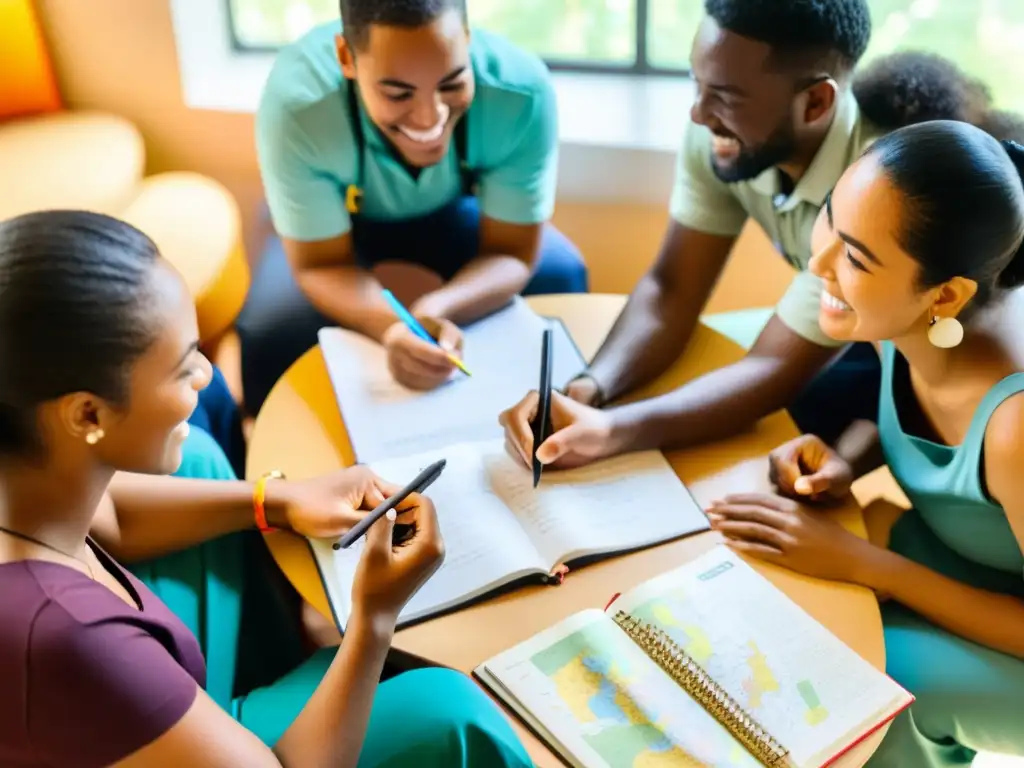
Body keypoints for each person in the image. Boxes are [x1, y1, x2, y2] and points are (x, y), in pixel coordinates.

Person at [0, 210, 532, 767]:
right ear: (86, 413)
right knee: (447, 710)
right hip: (161, 719)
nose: (206, 373)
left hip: (127, 691)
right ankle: (271, 697)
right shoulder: (69, 637)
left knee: (198, 457)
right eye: (184, 367)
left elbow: (109, 516)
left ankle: (273, 671)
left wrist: (277, 499)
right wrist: (375, 617)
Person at [500, 0, 1024, 466]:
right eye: (696, 83)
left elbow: (774, 365)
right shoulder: (722, 132)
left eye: (725, 96)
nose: (699, 113)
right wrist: (587, 390)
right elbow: (672, 287)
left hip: (893, 337)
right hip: (849, 321)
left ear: (817, 103)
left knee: (763, 437)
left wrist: (612, 431)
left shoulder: (875, 193)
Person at [701, 120, 1024, 767]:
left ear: (945, 295)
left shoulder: (1017, 425)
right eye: (829, 219)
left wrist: (865, 564)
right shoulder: (905, 314)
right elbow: (916, 416)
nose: (816, 261)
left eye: (853, 255)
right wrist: (846, 457)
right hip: (965, 560)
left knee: (864, 685)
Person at [237, 0, 588, 414]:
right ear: (347, 58)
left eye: (453, 83)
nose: (430, 117)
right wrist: (391, 325)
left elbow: (512, 251)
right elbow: (319, 264)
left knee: (560, 271)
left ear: (468, 40)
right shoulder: (298, 105)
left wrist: (435, 310)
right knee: (268, 330)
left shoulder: (522, 92)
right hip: (338, 230)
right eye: (397, 93)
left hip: (453, 212)